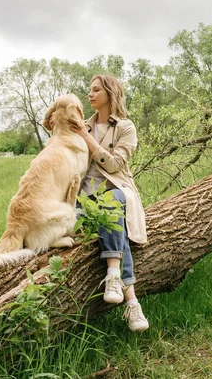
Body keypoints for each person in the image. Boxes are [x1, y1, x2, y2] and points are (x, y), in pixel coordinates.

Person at [71, 74, 149, 332]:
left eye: (95, 90)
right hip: (83, 197)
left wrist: (87, 136)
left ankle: (114, 276)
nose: (90, 94)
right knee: (115, 230)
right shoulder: (82, 125)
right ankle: (132, 303)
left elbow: (115, 164)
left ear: (110, 93)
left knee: (110, 205)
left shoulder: (126, 127)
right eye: (89, 90)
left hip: (117, 191)